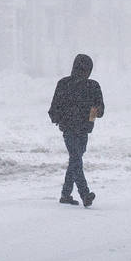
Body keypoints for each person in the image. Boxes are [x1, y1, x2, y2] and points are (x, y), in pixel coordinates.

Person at [48, 53, 104, 207]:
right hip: (72, 129)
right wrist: (60, 118)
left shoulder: (89, 86)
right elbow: (54, 109)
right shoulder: (69, 84)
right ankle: (85, 194)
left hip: (80, 130)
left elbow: (101, 108)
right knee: (76, 159)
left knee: (75, 160)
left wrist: (98, 110)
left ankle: (65, 195)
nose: (84, 72)